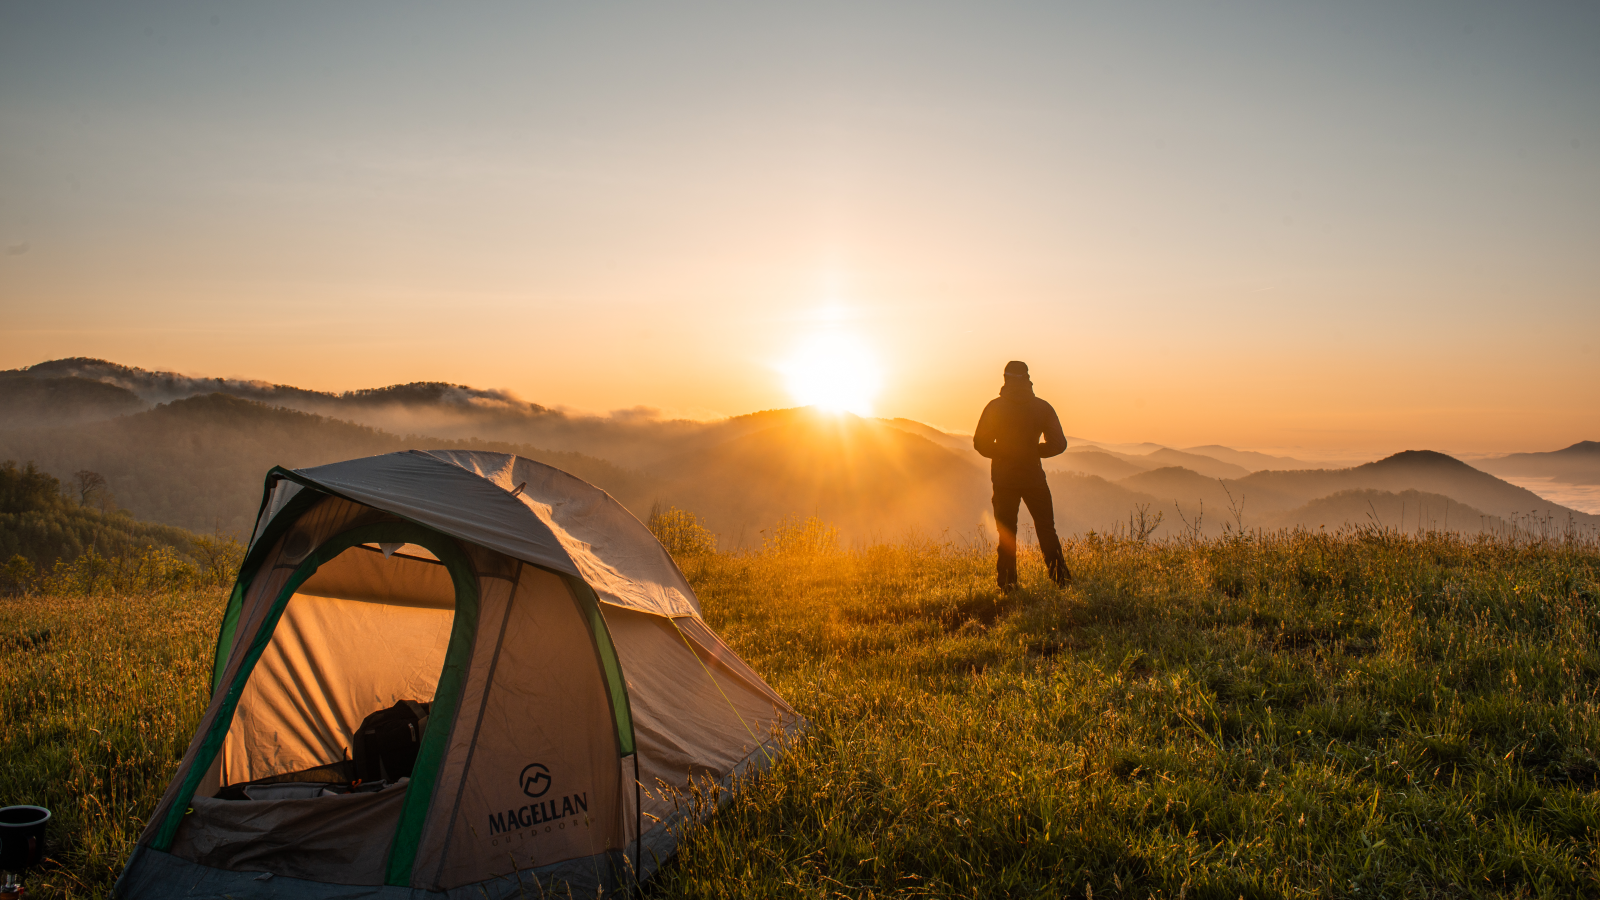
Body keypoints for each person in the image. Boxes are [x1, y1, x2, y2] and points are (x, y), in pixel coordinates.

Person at [973, 360, 1070, 589]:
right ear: (1027, 378)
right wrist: (1033, 451)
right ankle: (1061, 581)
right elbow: (1059, 444)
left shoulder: (995, 407)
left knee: (1007, 532)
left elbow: (980, 443)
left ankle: (1008, 584)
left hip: (1004, 479)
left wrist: (1005, 452)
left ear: (1005, 378)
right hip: (1034, 477)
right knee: (1046, 528)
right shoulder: (1042, 407)